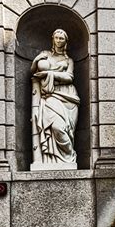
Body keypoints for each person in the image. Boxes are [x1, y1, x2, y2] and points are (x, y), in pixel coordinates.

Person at [30, 29, 80, 168]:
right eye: (56, 38)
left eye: (61, 39)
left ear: (65, 41)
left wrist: (48, 73)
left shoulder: (68, 60)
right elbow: (33, 72)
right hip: (49, 95)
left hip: (67, 96)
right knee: (56, 127)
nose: (58, 41)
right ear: (53, 39)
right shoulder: (45, 55)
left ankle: (69, 158)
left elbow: (69, 77)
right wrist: (35, 61)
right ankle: (50, 160)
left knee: (65, 129)